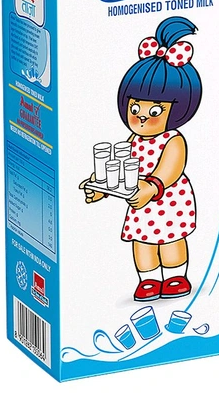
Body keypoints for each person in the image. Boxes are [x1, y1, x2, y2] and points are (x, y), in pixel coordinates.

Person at [80, 16, 203, 302]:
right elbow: (122, 166)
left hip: (168, 200)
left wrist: (152, 186)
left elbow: (170, 169)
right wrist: (102, 187)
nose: (142, 116)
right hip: (140, 200)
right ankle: (148, 280)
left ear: (178, 110)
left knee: (170, 239)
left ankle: (175, 276)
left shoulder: (173, 140)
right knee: (142, 242)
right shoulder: (134, 140)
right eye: (135, 107)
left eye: (155, 110)